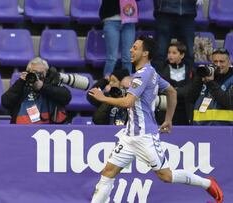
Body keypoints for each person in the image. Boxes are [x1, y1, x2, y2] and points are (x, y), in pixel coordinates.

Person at [88, 36, 223, 203]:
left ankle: (208, 183)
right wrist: (168, 119)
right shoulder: (151, 72)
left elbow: (128, 102)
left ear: (145, 53)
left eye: (135, 47)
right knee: (108, 173)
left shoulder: (144, 74)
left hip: (145, 136)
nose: (131, 50)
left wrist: (102, 98)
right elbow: (171, 91)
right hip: (129, 136)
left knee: (166, 176)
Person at [1, 57, 71, 124]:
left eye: (41, 73)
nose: (37, 76)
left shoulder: (52, 84)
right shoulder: (21, 85)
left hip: (48, 130)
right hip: (22, 130)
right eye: (34, 73)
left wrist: (42, 87)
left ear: (46, 73)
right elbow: (5, 102)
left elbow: (66, 97)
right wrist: (20, 82)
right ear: (28, 72)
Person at [187, 48, 233, 125]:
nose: (218, 65)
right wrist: (198, 78)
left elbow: (228, 102)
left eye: (222, 61)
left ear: (229, 62)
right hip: (201, 128)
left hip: (226, 129)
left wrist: (210, 82)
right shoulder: (205, 75)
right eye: (215, 61)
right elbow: (190, 98)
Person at [152, 0, 201, 71]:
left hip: (188, 11)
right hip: (164, 10)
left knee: (188, 53)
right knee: (160, 52)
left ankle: (187, 80)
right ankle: (157, 80)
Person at [157, 41, 193, 125]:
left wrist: (174, 92)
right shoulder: (163, 69)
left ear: (182, 55)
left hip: (184, 108)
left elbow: (190, 87)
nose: (170, 55)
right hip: (166, 108)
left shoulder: (189, 70)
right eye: (169, 53)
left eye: (174, 53)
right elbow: (161, 87)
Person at [99, 0, 138, 77]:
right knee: (112, 57)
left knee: (128, 56)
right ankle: (106, 82)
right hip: (111, 19)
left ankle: (127, 84)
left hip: (129, 20)